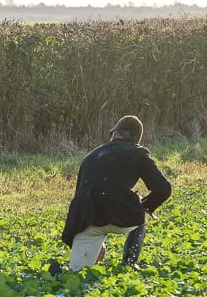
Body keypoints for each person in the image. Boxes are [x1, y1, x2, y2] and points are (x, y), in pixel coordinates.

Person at [58, 115, 172, 272]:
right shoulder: (137, 152)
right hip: (119, 216)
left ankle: (63, 272)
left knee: (77, 273)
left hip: (86, 220)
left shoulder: (90, 157)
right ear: (135, 138)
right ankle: (129, 262)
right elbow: (164, 188)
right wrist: (146, 207)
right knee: (140, 212)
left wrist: (96, 236)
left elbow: (80, 196)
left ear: (118, 134)